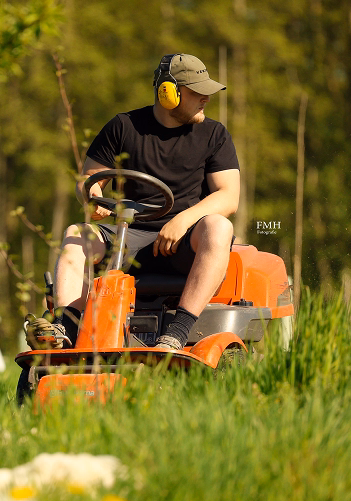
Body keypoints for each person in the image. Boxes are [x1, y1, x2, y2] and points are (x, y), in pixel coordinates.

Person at [26, 53, 240, 351]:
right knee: (77, 234)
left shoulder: (214, 134)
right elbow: (89, 180)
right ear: (168, 92)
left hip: (185, 242)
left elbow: (229, 196)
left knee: (219, 226)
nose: (206, 98)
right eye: (197, 92)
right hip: (128, 236)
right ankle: (66, 331)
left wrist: (182, 220)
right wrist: (92, 196)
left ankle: (175, 334)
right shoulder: (123, 127)